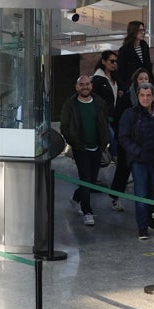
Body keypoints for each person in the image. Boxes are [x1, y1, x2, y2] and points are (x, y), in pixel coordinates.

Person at [118, 81, 154, 240]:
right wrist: (137, 151)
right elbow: (123, 137)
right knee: (141, 193)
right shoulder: (131, 114)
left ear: (153, 96)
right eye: (142, 95)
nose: (145, 98)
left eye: (148, 95)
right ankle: (142, 227)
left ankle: (149, 212)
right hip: (139, 161)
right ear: (138, 96)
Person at [58, 74, 110, 228]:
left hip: (97, 147)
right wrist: (74, 142)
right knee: (85, 178)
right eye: (82, 84)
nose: (85, 87)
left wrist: (104, 141)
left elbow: (104, 122)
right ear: (77, 87)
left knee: (91, 180)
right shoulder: (70, 104)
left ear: (91, 86)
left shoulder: (99, 103)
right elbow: (65, 127)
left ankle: (76, 198)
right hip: (81, 148)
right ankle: (87, 211)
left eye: (87, 84)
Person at [108, 66, 151, 213]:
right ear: (135, 81)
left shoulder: (151, 97)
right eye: (141, 79)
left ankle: (148, 204)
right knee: (123, 170)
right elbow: (117, 120)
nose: (143, 81)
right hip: (127, 143)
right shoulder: (127, 98)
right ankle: (115, 197)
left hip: (144, 143)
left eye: (146, 79)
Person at [116, 21, 154, 98]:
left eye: (143, 30)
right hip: (132, 86)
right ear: (133, 31)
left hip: (146, 83)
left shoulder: (144, 46)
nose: (143, 33)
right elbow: (121, 72)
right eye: (140, 31)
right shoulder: (125, 50)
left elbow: (147, 67)